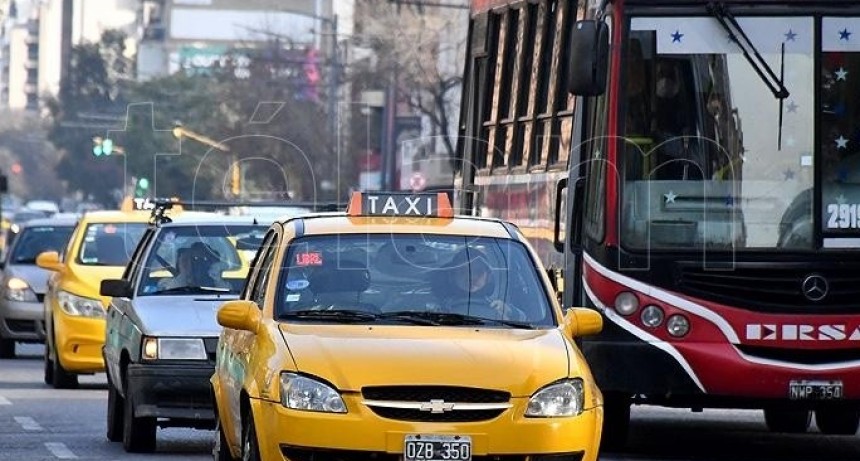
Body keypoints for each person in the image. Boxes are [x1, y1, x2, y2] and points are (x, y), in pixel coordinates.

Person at [433, 249, 528, 321]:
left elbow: (525, 319)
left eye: (478, 272)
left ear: (488, 276)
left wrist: (509, 310)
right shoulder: (442, 305)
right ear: (452, 275)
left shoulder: (495, 305)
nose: (471, 277)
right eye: (463, 271)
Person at [157, 242, 229, 290]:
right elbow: (170, 295)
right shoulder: (166, 283)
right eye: (194, 259)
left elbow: (227, 296)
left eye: (204, 259)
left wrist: (216, 277)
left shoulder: (221, 285)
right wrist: (184, 273)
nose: (199, 264)